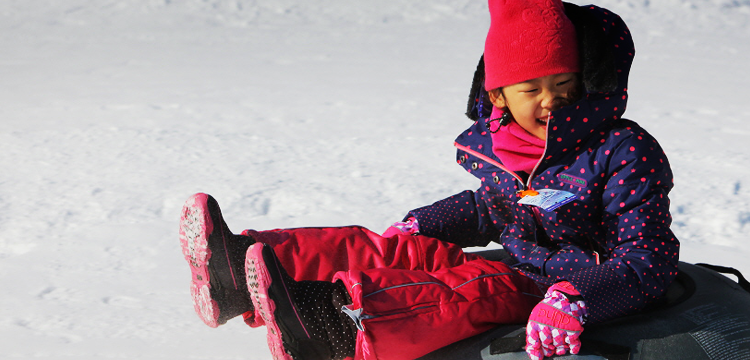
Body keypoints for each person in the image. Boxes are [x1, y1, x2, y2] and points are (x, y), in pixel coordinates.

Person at [178, 1, 680, 359]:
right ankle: (235, 269)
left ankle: (329, 322)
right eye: (533, 89)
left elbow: (648, 259)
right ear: (500, 96)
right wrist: (425, 224)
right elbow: (493, 207)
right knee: (392, 248)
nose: (551, 100)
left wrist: (576, 296)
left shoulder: (620, 151)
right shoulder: (511, 147)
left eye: (563, 84)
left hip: (570, 283)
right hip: (526, 260)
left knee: (467, 289)